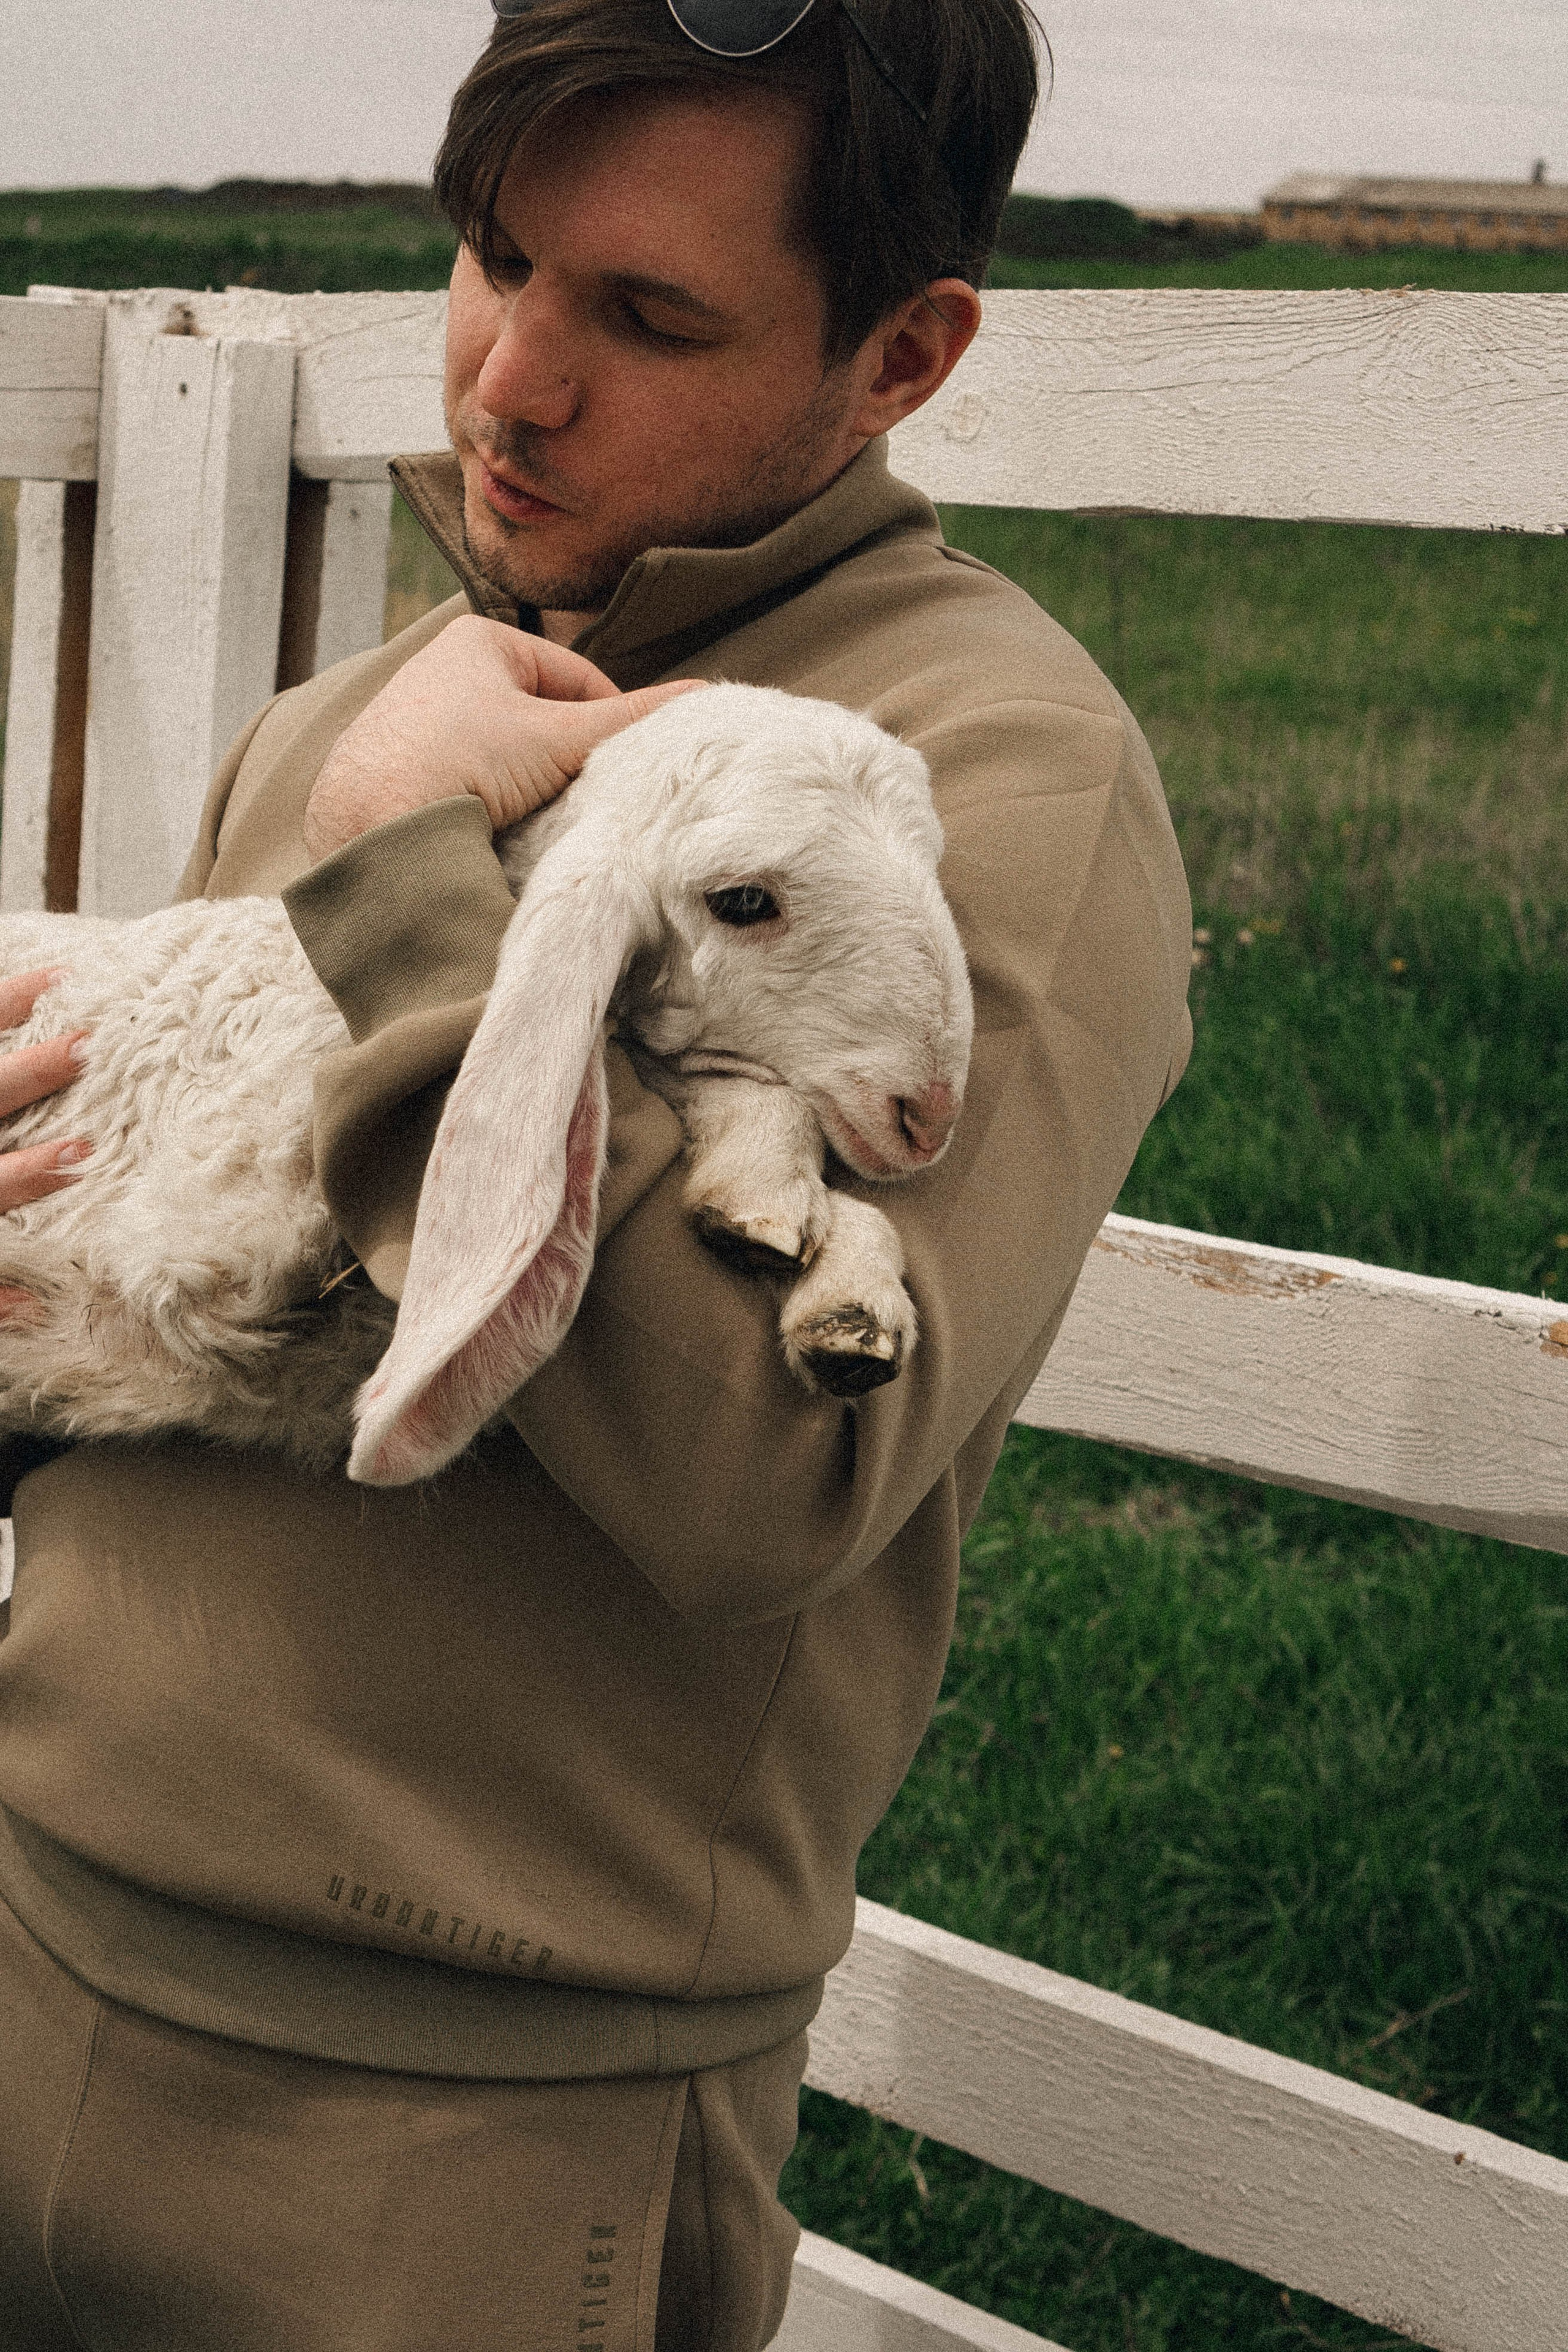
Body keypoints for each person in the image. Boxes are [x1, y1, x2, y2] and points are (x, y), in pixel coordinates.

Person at [0, 1, 1193, 2345]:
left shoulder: (986, 780)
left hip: (451, 2123)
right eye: (490, 254)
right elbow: (159, 1275)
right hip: (28, 1942)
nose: (506, 384)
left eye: (645, 314)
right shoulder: (382, 711)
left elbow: (770, 1466)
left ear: (904, 352)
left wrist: (404, 878)